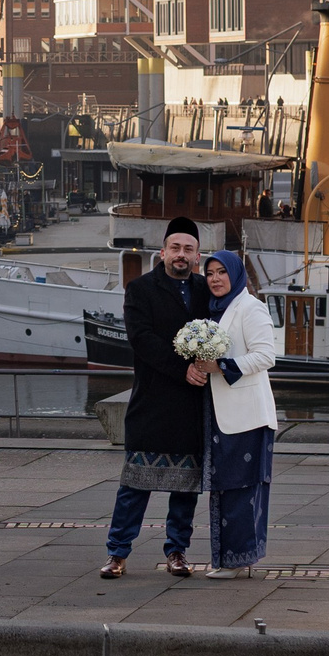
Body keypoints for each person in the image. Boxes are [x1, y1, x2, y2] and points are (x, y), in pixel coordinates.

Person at [104, 217, 206, 580]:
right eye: (175, 248)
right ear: (163, 252)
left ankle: (176, 553)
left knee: (185, 491)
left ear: (197, 256)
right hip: (151, 403)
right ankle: (117, 554)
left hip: (192, 407)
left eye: (188, 249)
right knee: (134, 484)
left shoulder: (206, 290)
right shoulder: (141, 289)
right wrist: (184, 369)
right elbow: (142, 340)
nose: (181, 255)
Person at [193, 251, 278, 578]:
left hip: (247, 416)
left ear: (235, 275)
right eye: (210, 273)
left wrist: (222, 366)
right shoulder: (216, 310)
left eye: (221, 273)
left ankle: (238, 560)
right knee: (224, 487)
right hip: (220, 413)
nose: (215, 279)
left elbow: (266, 355)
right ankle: (232, 559)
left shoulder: (249, 307)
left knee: (240, 489)